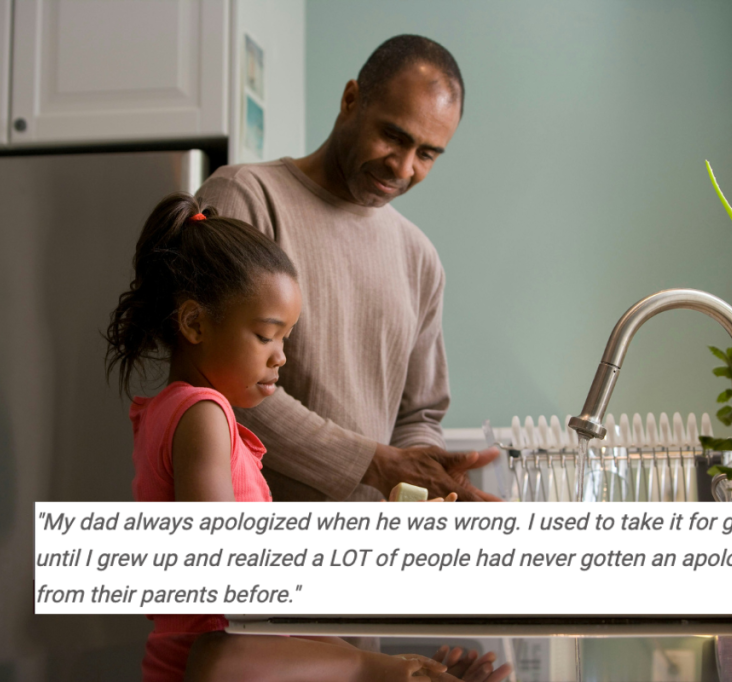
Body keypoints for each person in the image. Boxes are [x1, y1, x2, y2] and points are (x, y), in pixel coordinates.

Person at [105, 193, 510, 681]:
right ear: (194, 323)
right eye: (265, 335)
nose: (281, 357)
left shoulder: (173, 412)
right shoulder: (203, 414)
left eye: (286, 338)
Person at [197, 34, 500, 503]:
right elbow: (217, 379)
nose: (402, 167)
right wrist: (374, 463)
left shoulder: (418, 257)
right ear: (350, 99)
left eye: (426, 153)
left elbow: (418, 414)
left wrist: (422, 479)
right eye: (393, 136)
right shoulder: (245, 197)